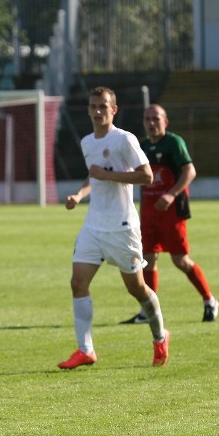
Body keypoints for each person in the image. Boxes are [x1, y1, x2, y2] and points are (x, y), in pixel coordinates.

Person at [59, 86, 170, 370]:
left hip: (122, 227)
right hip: (94, 225)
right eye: (93, 106)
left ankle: (160, 336)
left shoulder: (124, 140)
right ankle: (86, 350)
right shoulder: (87, 142)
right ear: (88, 109)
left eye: (103, 107)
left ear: (113, 110)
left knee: (137, 288)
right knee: (77, 282)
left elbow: (146, 176)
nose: (97, 112)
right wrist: (79, 195)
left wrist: (109, 175)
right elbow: (93, 179)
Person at [121, 104, 219, 324]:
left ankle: (209, 300)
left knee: (180, 260)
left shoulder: (174, 143)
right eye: (147, 119)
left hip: (172, 211)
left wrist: (171, 194)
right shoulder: (142, 146)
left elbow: (189, 170)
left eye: (156, 118)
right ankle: (148, 311)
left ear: (165, 122)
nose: (152, 123)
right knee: (148, 259)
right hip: (148, 211)